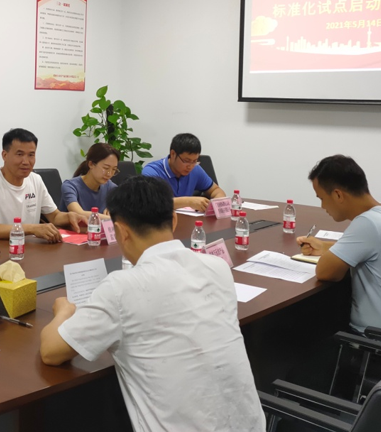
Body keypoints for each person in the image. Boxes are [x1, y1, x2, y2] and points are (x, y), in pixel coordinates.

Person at [40, 176, 265, 432]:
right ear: (174, 220)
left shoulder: (122, 287)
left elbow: (51, 352)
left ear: (121, 231)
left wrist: (63, 312)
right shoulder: (217, 268)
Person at [298, 155, 381, 338]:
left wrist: (328, 253)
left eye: (322, 198)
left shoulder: (368, 223)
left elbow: (326, 272)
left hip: (379, 343)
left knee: (304, 328)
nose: (322, 206)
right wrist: (325, 247)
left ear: (338, 195)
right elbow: (369, 249)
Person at [0, 128, 88, 242]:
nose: (26, 161)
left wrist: (69, 217)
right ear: (4, 155)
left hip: (26, 249)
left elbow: (54, 216)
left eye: (31, 155)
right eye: (19, 154)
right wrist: (32, 229)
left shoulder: (36, 180)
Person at [142, 132, 225, 212]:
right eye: (186, 161)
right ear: (173, 154)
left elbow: (216, 190)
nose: (190, 166)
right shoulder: (152, 171)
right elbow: (152, 204)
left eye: (194, 161)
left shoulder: (196, 169)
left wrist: (217, 204)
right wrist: (188, 202)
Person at [60, 143, 120, 218]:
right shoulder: (70, 186)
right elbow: (78, 214)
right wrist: (111, 218)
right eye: (106, 168)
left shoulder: (111, 187)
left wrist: (114, 210)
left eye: (114, 169)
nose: (109, 174)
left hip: (101, 226)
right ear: (91, 164)